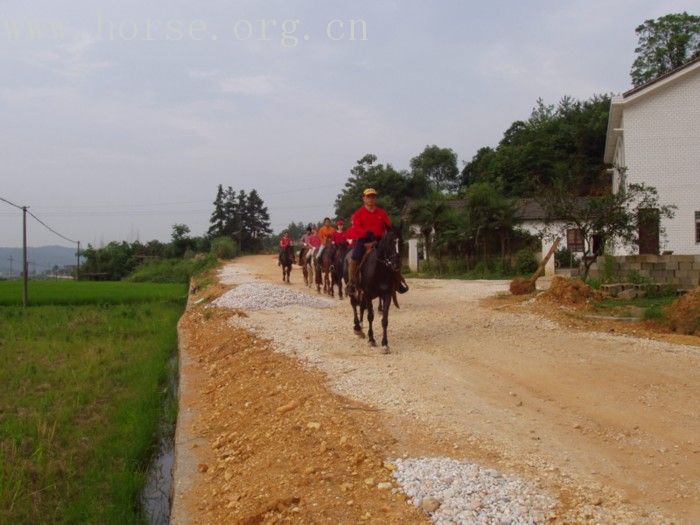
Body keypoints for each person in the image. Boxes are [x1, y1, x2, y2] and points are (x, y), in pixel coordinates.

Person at [346, 188, 391, 297]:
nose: (371, 199)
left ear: (375, 199)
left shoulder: (382, 213)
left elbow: (389, 226)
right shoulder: (359, 213)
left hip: (379, 240)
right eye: (368, 197)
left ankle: (397, 281)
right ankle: (352, 282)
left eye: (373, 197)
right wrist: (366, 237)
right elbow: (356, 228)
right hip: (363, 240)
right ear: (364, 198)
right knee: (354, 257)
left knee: (392, 256)